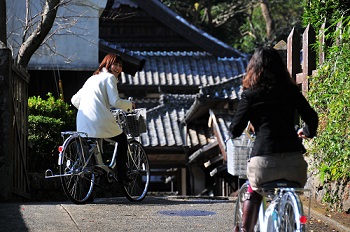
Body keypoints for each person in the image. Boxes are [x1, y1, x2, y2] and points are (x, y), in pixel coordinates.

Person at [230, 46, 318, 232]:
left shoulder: (250, 95)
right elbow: (312, 118)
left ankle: (246, 230)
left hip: (263, 164)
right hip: (295, 165)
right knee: (291, 189)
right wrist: (307, 131)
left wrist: (237, 129)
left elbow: (235, 129)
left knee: (253, 191)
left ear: (253, 68)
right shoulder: (290, 91)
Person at [71, 53, 134, 184]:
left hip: (83, 120)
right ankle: (122, 176)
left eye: (120, 65)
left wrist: (89, 107)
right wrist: (130, 105)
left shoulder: (92, 79)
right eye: (115, 64)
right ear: (107, 64)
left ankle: (97, 176)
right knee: (122, 139)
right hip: (99, 120)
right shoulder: (109, 78)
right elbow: (115, 102)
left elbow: (74, 100)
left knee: (93, 150)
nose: (118, 68)